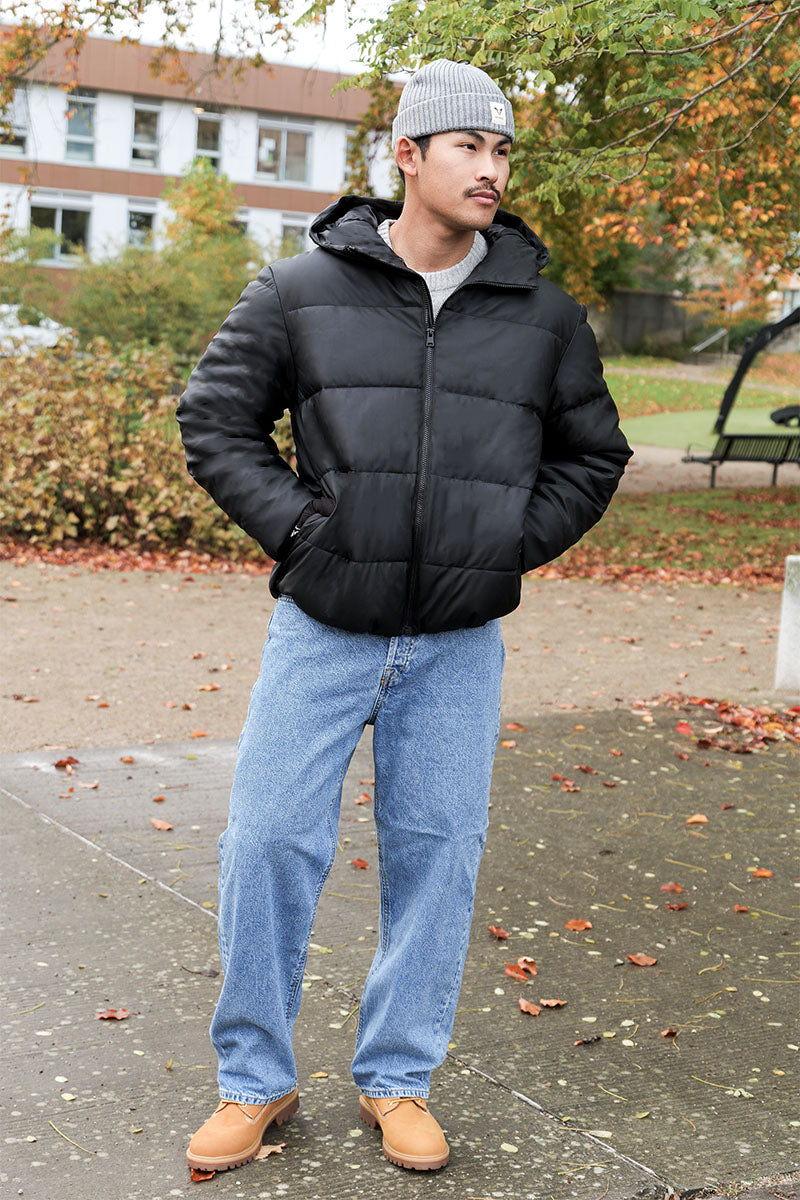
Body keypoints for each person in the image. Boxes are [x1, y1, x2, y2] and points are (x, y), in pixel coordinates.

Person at [176, 57, 632, 1176]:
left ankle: (397, 1076)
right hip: (325, 624)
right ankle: (254, 1080)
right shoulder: (300, 291)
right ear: (408, 155)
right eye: (469, 145)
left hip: (457, 643)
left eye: (503, 149)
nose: (492, 168)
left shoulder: (543, 314)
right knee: (267, 842)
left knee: (437, 855)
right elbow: (216, 419)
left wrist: (503, 544)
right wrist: (306, 532)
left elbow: (594, 454)